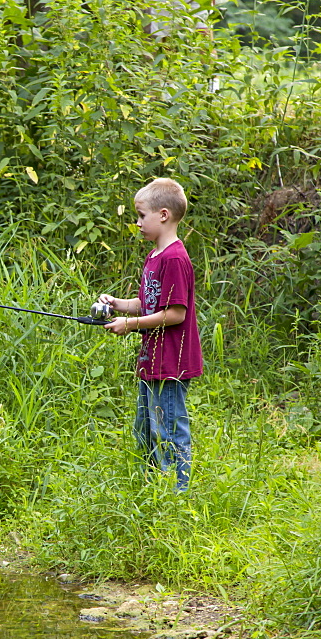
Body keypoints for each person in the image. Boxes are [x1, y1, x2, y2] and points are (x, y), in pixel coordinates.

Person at [98, 178, 203, 491]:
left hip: (171, 363)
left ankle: (177, 495)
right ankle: (154, 489)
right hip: (152, 362)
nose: (138, 222)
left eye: (142, 216)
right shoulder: (155, 257)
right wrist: (118, 305)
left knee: (169, 429)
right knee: (146, 429)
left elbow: (175, 314)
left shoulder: (174, 258)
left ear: (163, 215)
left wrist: (129, 325)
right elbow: (148, 304)